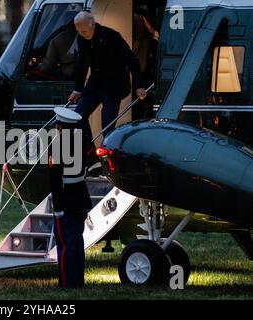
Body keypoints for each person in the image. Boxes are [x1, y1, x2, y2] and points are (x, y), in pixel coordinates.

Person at [69, 11, 147, 145]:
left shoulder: (111, 36)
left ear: (93, 24)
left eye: (84, 31)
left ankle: (108, 156)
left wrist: (139, 85)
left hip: (114, 86)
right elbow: (82, 64)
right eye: (79, 31)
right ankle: (90, 151)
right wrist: (77, 89)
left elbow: (131, 60)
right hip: (95, 84)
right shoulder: (81, 38)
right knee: (78, 117)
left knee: (107, 126)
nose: (82, 34)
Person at [48, 107, 93, 288]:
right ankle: (78, 281)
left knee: (65, 244)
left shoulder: (57, 146)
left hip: (65, 200)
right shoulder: (83, 141)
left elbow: (55, 180)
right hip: (80, 197)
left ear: (60, 126)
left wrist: (57, 207)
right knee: (76, 241)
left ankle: (67, 282)